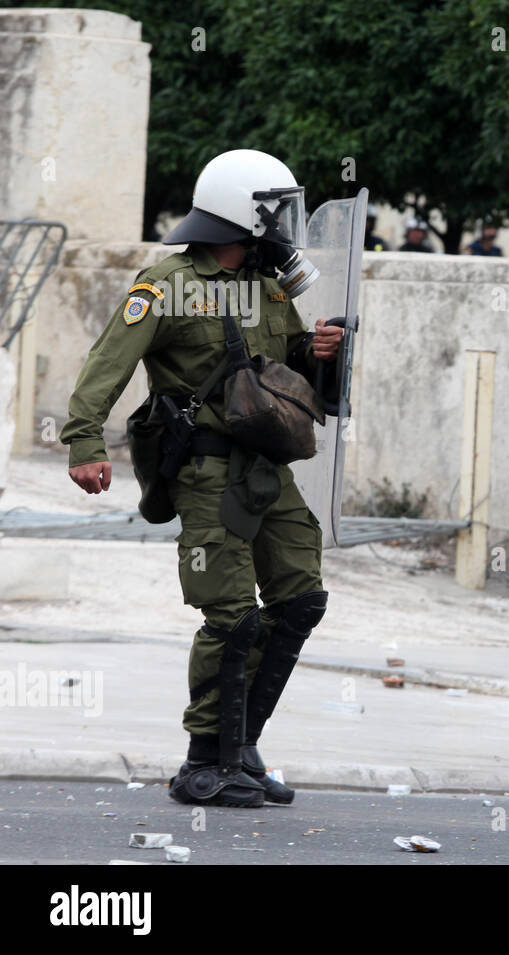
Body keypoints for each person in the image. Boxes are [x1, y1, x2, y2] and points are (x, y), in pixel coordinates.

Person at [60, 149, 343, 808]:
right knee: (232, 615)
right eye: (274, 212)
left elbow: (286, 363)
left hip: (268, 465)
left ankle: (240, 746)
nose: (284, 225)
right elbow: (108, 361)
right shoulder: (166, 283)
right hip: (207, 468)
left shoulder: (270, 284)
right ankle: (201, 761)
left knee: (300, 600)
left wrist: (318, 350)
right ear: (241, 216)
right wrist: (82, 440)